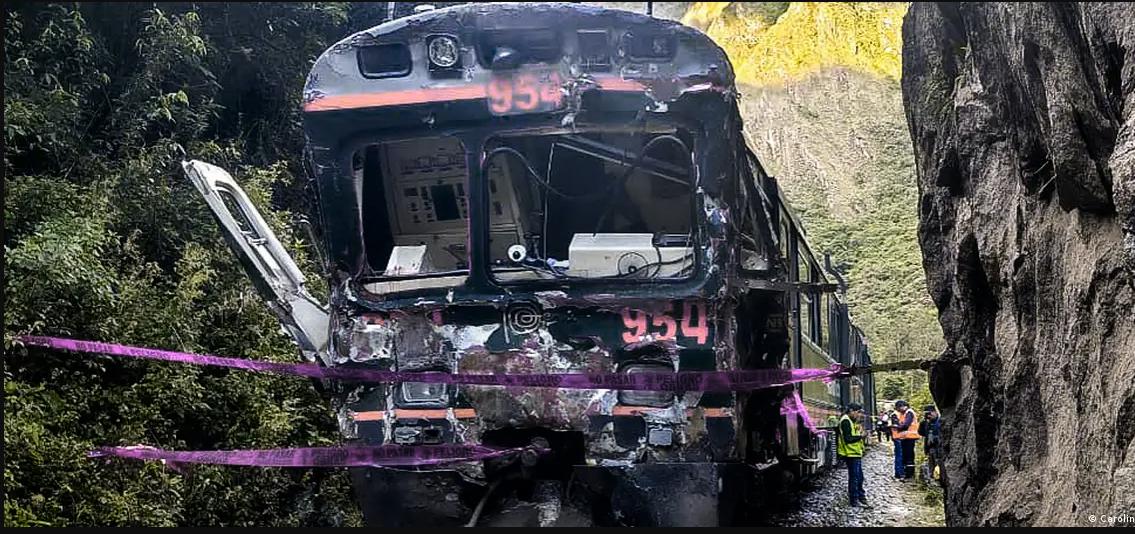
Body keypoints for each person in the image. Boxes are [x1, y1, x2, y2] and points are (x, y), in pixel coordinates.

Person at [837, 403, 871, 508]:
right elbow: (848, 439)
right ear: (851, 411)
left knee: (859, 477)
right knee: (855, 478)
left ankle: (860, 497)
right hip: (850, 453)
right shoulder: (846, 421)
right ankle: (854, 500)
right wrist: (861, 436)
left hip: (854, 453)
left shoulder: (851, 421)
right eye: (858, 412)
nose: (859, 414)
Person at [890, 400, 920, 480]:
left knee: (909, 456)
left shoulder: (909, 413)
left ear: (903, 406)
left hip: (910, 437)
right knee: (907, 456)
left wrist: (898, 427)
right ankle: (907, 473)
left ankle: (909, 474)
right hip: (906, 437)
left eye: (898, 408)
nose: (898, 411)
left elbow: (906, 425)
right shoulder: (905, 413)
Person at [919, 405, 942, 483]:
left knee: (939, 467)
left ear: (934, 412)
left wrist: (935, 438)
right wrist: (922, 423)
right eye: (927, 414)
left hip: (939, 449)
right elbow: (921, 433)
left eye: (930, 413)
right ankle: (933, 481)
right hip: (930, 448)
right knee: (931, 466)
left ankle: (939, 481)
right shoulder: (927, 423)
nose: (928, 416)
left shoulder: (940, 421)